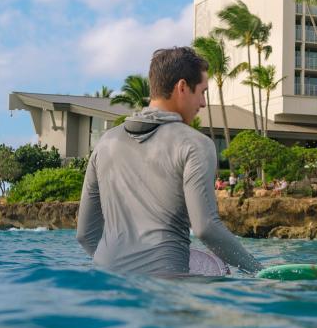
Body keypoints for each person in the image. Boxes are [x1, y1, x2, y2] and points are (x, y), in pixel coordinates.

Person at [77, 46, 261, 277]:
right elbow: (206, 228)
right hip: (166, 288)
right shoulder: (194, 144)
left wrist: (117, 271)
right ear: (182, 87)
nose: (203, 103)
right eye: (202, 92)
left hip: (105, 287)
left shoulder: (105, 143)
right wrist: (260, 274)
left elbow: (85, 234)